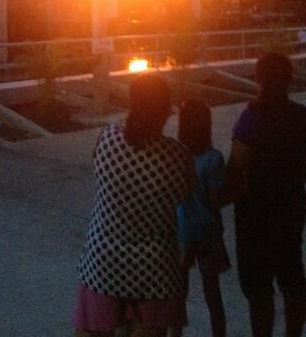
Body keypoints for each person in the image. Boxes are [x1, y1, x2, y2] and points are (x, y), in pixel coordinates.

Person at [73, 74, 192, 337]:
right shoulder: (177, 156)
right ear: (164, 110)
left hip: (103, 262)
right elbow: (185, 197)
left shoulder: (108, 139)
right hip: (154, 269)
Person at [227, 53, 306, 337]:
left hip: (254, 218)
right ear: (288, 79)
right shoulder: (300, 117)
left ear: (258, 79)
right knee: (292, 278)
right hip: (290, 211)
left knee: (259, 290)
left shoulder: (250, 120)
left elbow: (236, 171)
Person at [171, 98, 231, 337]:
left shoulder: (176, 155)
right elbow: (215, 202)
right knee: (213, 295)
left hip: (182, 232)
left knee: (178, 295)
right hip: (208, 233)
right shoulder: (213, 159)